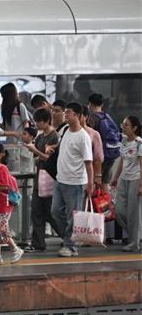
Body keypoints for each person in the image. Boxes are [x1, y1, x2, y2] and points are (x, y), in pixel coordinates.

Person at [51, 103, 94, 257]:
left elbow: (89, 163)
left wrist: (90, 183)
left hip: (75, 182)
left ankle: (71, 246)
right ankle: (71, 239)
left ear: (77, 115)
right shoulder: (66, 130)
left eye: (68, 113)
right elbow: (65, 147)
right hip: (60, 179)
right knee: (55, 211)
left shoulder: (83, 137)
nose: (65, 115)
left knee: (73, 216)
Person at [23, 108, 61, 252]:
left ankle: (68, 237)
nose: (37, 124)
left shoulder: (54, 137)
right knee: (36, 211)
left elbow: (51, 160)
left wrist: (36, 152)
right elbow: (38, 160)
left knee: (51, 213)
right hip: (40, 179)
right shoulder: (39, 138)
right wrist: (38, 155)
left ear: (46, 121)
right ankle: (38, 243)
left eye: (39, 122)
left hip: (50, 179)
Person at [111, 116, 142, 252]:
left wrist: (141, 185)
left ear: (134, 128)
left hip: (135, 179)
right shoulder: (124, 141)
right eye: (122, 124)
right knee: (118, 211)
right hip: (124, 179)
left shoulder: (139, 143)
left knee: (133, 213)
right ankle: (138, 235)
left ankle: (134, 243)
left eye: (126, 125)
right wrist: (115, 177)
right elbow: (122, 161)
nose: (123, 127)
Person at [89, 93, 122, 193]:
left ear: (89, 104)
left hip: (99, 158)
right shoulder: (107, 116)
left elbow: (90, 139)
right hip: (111, 154)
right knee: (105, 184)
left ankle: (93, 208)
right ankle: (106, 206)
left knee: (94, 184)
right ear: (102, 104)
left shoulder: (92, 119)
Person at [82, 108, 104, 192]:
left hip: (88, 173)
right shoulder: (68, 131)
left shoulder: (93, 134)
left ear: (85, 117)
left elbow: (98, 157)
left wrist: (98, 176)